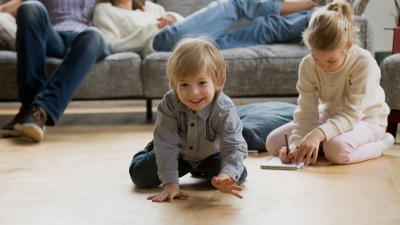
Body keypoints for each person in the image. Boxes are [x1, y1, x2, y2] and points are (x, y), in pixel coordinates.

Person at [266, 0, 395, 166]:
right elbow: (306, 112)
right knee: (273, 143)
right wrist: (294, 146)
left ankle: (381, 143)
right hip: (331, 116)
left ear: (348, 46)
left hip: (366, 119)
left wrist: (318, 134)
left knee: (336, 151)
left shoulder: (364, 63)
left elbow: (352, 113)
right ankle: (320, 144)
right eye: (316, 58)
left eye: (331, 60)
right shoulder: (307, 64)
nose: (323, 67)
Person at [129, 38, 248, 202]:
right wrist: (170, 185)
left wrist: (225, 176)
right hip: (178, 153)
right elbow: (167, 145)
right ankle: (150, 149)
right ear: (174, 85)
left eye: (202, 83)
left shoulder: (224, 108)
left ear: (217, 82)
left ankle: (201, 169)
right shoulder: (169, 103)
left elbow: (234, 146)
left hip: (211, 153)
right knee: (140, 177)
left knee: (237, 176)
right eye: (184, 84)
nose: (193, 92)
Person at [0, 0, 110, 142]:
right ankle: (30, 110)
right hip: (54, 38)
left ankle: (38, 111)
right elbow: (8, 8)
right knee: (30, 7)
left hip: (85, 42)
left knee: (95, 35)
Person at [92, 0, 318, 56]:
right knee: (232, 4)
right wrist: (151, 28)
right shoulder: (105, 10)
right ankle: (311, 2)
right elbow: (110, 46)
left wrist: (173, 17)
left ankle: (319, 16)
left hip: (191, 46)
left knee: (262, 30)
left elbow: (183, 25)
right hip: (160, 43)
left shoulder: (152, 7)